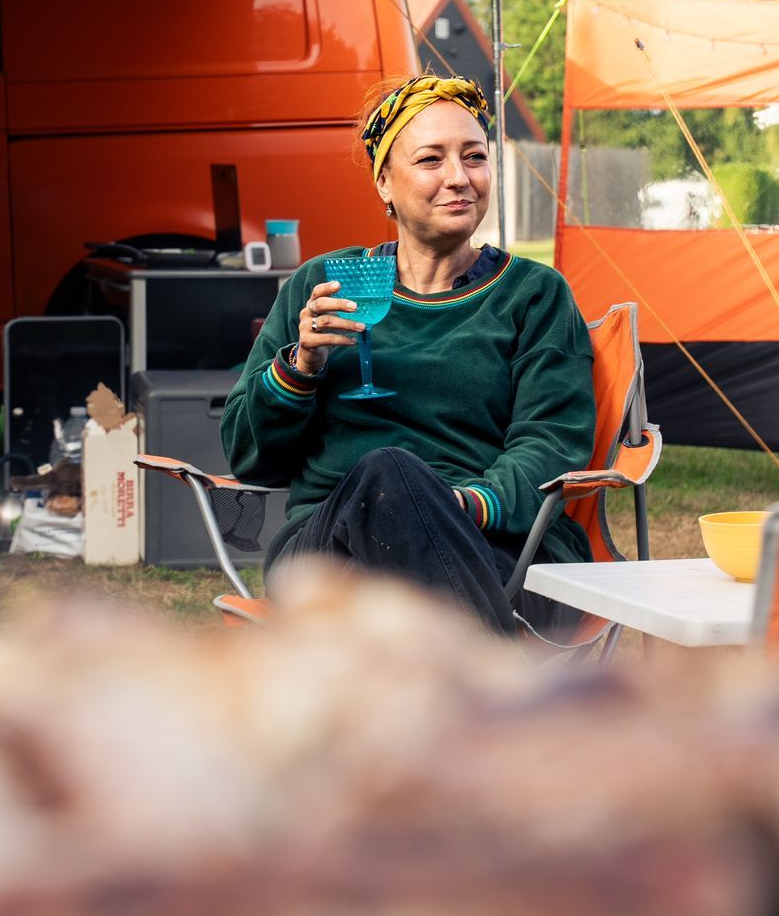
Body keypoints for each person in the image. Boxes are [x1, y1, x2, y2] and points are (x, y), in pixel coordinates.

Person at [221, 75, 596, 636]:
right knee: (388, 473)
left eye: (474, 157)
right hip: (332, 553)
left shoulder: (534, 296)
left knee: (398, 482)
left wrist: (462, 504)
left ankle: (459, 692)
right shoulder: (321, 287)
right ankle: (493, 689)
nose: (459, 178)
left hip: (496, 548)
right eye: (430, 160)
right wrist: (300, 369)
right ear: (384, 184)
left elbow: (551, 441)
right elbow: (250, 458)